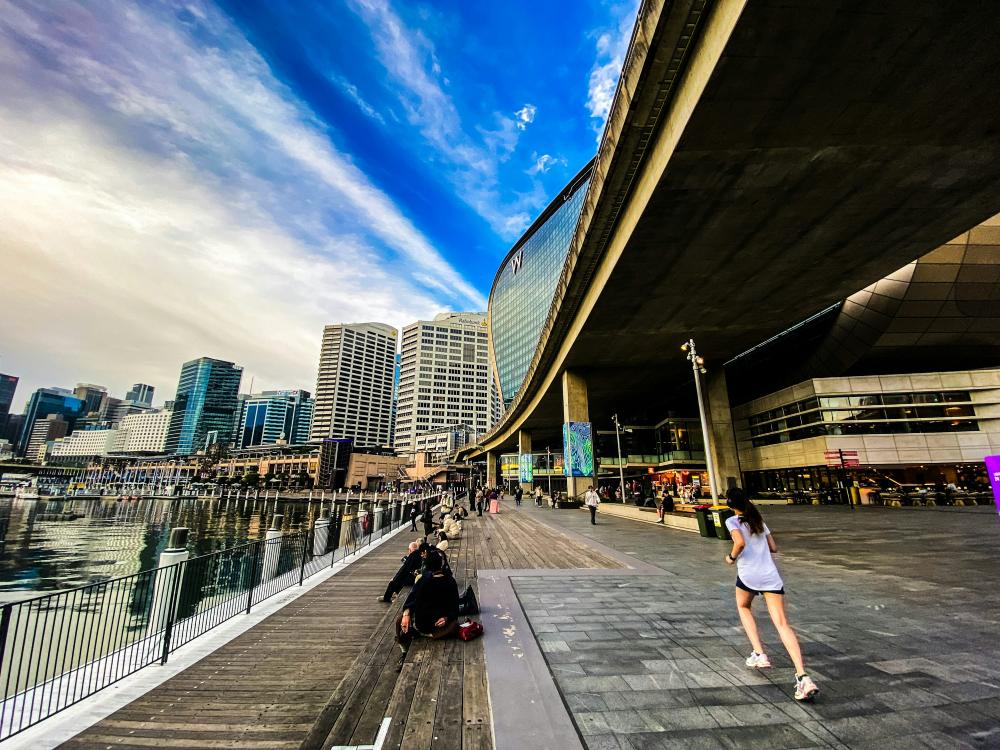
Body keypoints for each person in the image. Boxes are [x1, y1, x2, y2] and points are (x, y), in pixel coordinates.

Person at [723, 488, 819, 702]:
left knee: (743, 607)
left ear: (731, 504)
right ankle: (802, 676)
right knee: (783, 624)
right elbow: (773, 547)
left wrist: (731, 558)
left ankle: (759, 653)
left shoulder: (733, 521)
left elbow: (739, 543)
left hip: (749, 575)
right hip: (770, 576)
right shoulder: (759, 521)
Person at [396, 549, 459, 651]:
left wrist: (406, 614)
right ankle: (432, 635)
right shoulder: (450, 581)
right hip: (438, 626)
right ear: (441, 565)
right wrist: (447, 618)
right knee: (454, 625)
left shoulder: (423, 581)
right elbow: (455, 607)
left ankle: (408, 639)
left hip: (421, 625)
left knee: (400, 621)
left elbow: (411, 600)